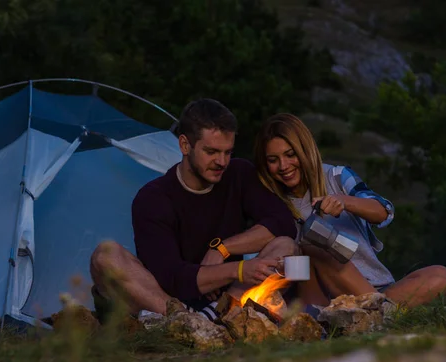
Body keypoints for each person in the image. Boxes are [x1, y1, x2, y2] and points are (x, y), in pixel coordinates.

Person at [89, 99, 298, 322]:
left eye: (228, 152)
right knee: (105, 256)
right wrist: (237, 269)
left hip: (227, 297)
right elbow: (170, 277)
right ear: (185, 145)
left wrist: (222, 249)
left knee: (288, 247)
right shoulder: (153, 198)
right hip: (168, 300)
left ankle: (219, 315)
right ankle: (189, 321)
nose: (222, 162)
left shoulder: (238, 174)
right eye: (211, 152)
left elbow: (283, 221)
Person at [252, 112, 446, 308]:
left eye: (290, 154)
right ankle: (377, 312)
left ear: (304, 149)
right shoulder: (274, 203)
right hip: (328, 300)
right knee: (315, 249)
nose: (284, 166)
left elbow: (384, 212)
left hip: (380, 287)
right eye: (273, 160)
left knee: (441, 275)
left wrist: (344, 201)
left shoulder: (336, 176)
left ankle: (378, 311)